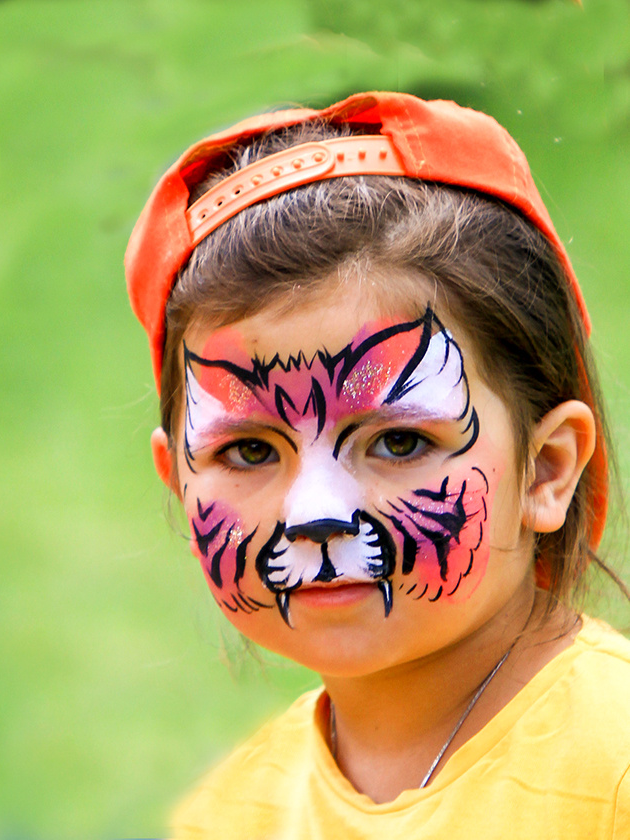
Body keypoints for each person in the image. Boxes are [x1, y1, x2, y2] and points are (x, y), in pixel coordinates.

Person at [124, 92, 630, 838]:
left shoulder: (613, 768)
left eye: (397, 443)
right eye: (250, 450)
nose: (315, 513)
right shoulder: (229, 815)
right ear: (178, 481)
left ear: (546, 469)